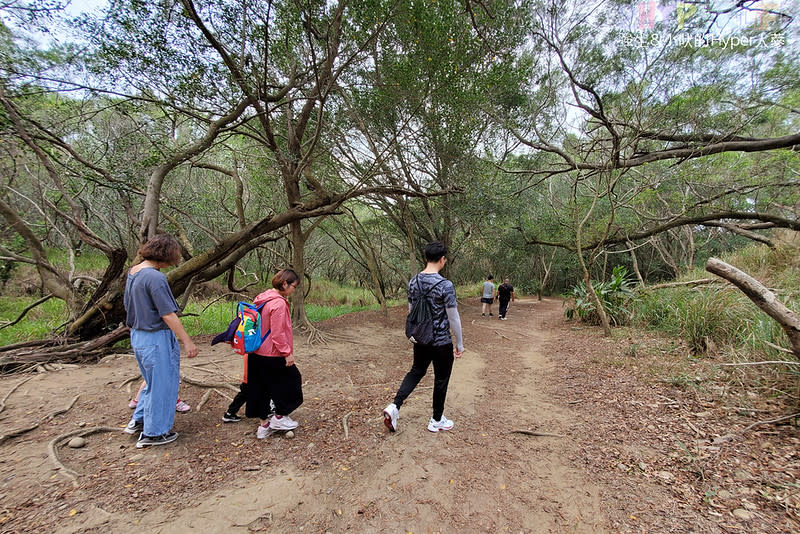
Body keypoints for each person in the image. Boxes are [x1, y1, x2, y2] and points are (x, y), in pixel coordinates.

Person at [123, 234, 198, 448]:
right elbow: (168, 314)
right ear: (166, 254)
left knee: (152, 382)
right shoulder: (155, 278)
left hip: (138, 335)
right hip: (155, 337)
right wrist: (187, 341)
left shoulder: (134, 272)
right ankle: (154, 433)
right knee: (163, 385)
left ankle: (139, 420)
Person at [383, 241, 465, 433]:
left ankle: (395, 405)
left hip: (421, 339)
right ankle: (437, 420)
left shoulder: (414, 281)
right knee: (441, 379)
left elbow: (412, 311)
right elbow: (453, 317)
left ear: (426, 258)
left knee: (416, 371)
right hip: (441, 342)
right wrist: (459, 343)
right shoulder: (445, 285)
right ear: (442, 260)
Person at [246, 269, 303, 439]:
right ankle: (280, 416)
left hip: (256, 352)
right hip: (272, 354)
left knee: (261, 388)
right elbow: (278, 334)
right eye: (294, 286)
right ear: (284, 283)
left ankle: (263, 427)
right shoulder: (278, 304)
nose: (294, 290)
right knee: (293, 381)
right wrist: (287, 353)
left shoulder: (262, 298)